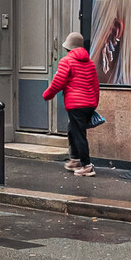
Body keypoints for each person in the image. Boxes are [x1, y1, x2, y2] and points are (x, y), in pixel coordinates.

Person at [42, 29, 101, 176]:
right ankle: (75, 159)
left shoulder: (66, 61)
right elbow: (96, 86)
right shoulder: (90, 63)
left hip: (76, 104)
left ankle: (86, 166)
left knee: (79, 135)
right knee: (72, 130)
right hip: (88, 104)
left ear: (68, 47)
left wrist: (47, 95)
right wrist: (94, 104)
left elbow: (58, 82)